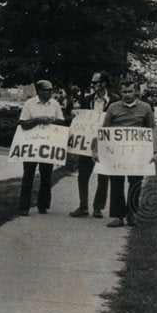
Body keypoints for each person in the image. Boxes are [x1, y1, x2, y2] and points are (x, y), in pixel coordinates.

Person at [102, 80, 157, 228]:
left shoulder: (145, 108)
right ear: (120, 93)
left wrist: (154, 150)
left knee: (135, 182)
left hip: (137, 153)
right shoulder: (113, 108)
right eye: (124, 92)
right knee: (116, 182)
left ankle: (131, 213)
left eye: (130, 91)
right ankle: (118, 216)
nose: (127, 95)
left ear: (137, 92)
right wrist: (101, 150)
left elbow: (151, 128)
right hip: (117, 152)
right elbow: (105, 129)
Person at [70, 72, 116, 218]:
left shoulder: (115, 101)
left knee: (103, 175)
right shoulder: (87, 100)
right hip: (87, 143)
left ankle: (98, 207)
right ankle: (83, 206)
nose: (93, 85)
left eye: (95, 82)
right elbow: (81, 120)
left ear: (104, 83)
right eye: (92, 82)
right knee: (83, 173)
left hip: (106, 143)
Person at [16, 79, 66, 216]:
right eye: (46, 90)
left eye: (51, 90)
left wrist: (54, 121)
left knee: (46, 175)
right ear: (38, 91)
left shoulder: (54, 104)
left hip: (47, 144)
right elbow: (23, 123)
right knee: (28, 175)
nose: (50, 92)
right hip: (31, 144)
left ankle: (43, 205)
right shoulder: (29, 104)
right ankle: (24, 207)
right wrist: (38, 119)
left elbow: (62, 122)